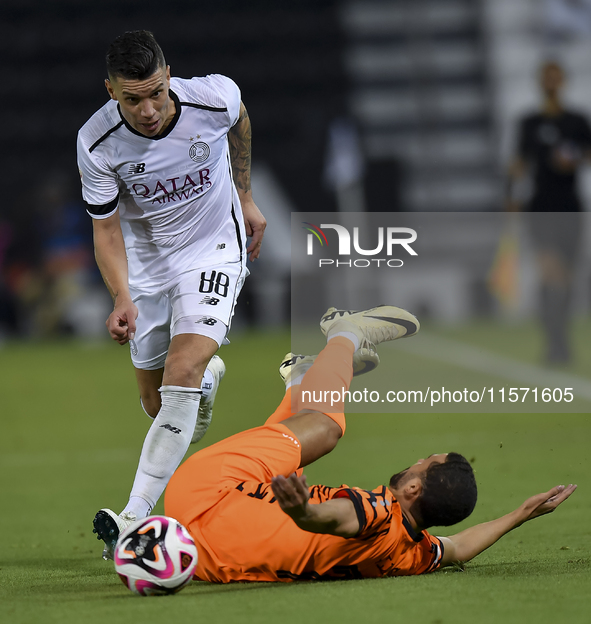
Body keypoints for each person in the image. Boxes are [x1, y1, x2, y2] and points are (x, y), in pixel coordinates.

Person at [161, 306, 576, 582]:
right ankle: (305, 378)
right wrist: (520, 514)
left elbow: (333, 519)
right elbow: (459, 547)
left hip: (206, 493)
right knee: (289, 468)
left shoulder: (379, 513)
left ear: (414, 489)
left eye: (424, 462)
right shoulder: (411, 554)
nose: (415, 460)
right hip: (197, 554)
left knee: (324, 429)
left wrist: (304, 511)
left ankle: (345, 335)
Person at [76, 30, 266, 559]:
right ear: (111, 90)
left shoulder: (214, 96)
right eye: (132, 98)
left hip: (214, 252)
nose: (149, 109)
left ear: (168, 75)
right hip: (147, 270)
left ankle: (135, 516)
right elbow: (107, 231)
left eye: (156, 93)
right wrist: (121, 297)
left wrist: (245, 195)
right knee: (156, 401)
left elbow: (241, 120)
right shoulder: (96, 142)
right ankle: (203, 385)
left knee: (181, 368)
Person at [506, 61, 591, 363]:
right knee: (549, 271)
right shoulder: (529, 122)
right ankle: (554, 341)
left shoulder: (577, 121)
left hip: (570, 206)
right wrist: (511, 195)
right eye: (547, 77)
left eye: (556, 77)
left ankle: (560, 339)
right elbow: (518, 163)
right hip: (540, 207)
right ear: (540, 82)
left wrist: (575, 158)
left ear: (563, 81)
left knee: (567, 279)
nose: (551, 82)